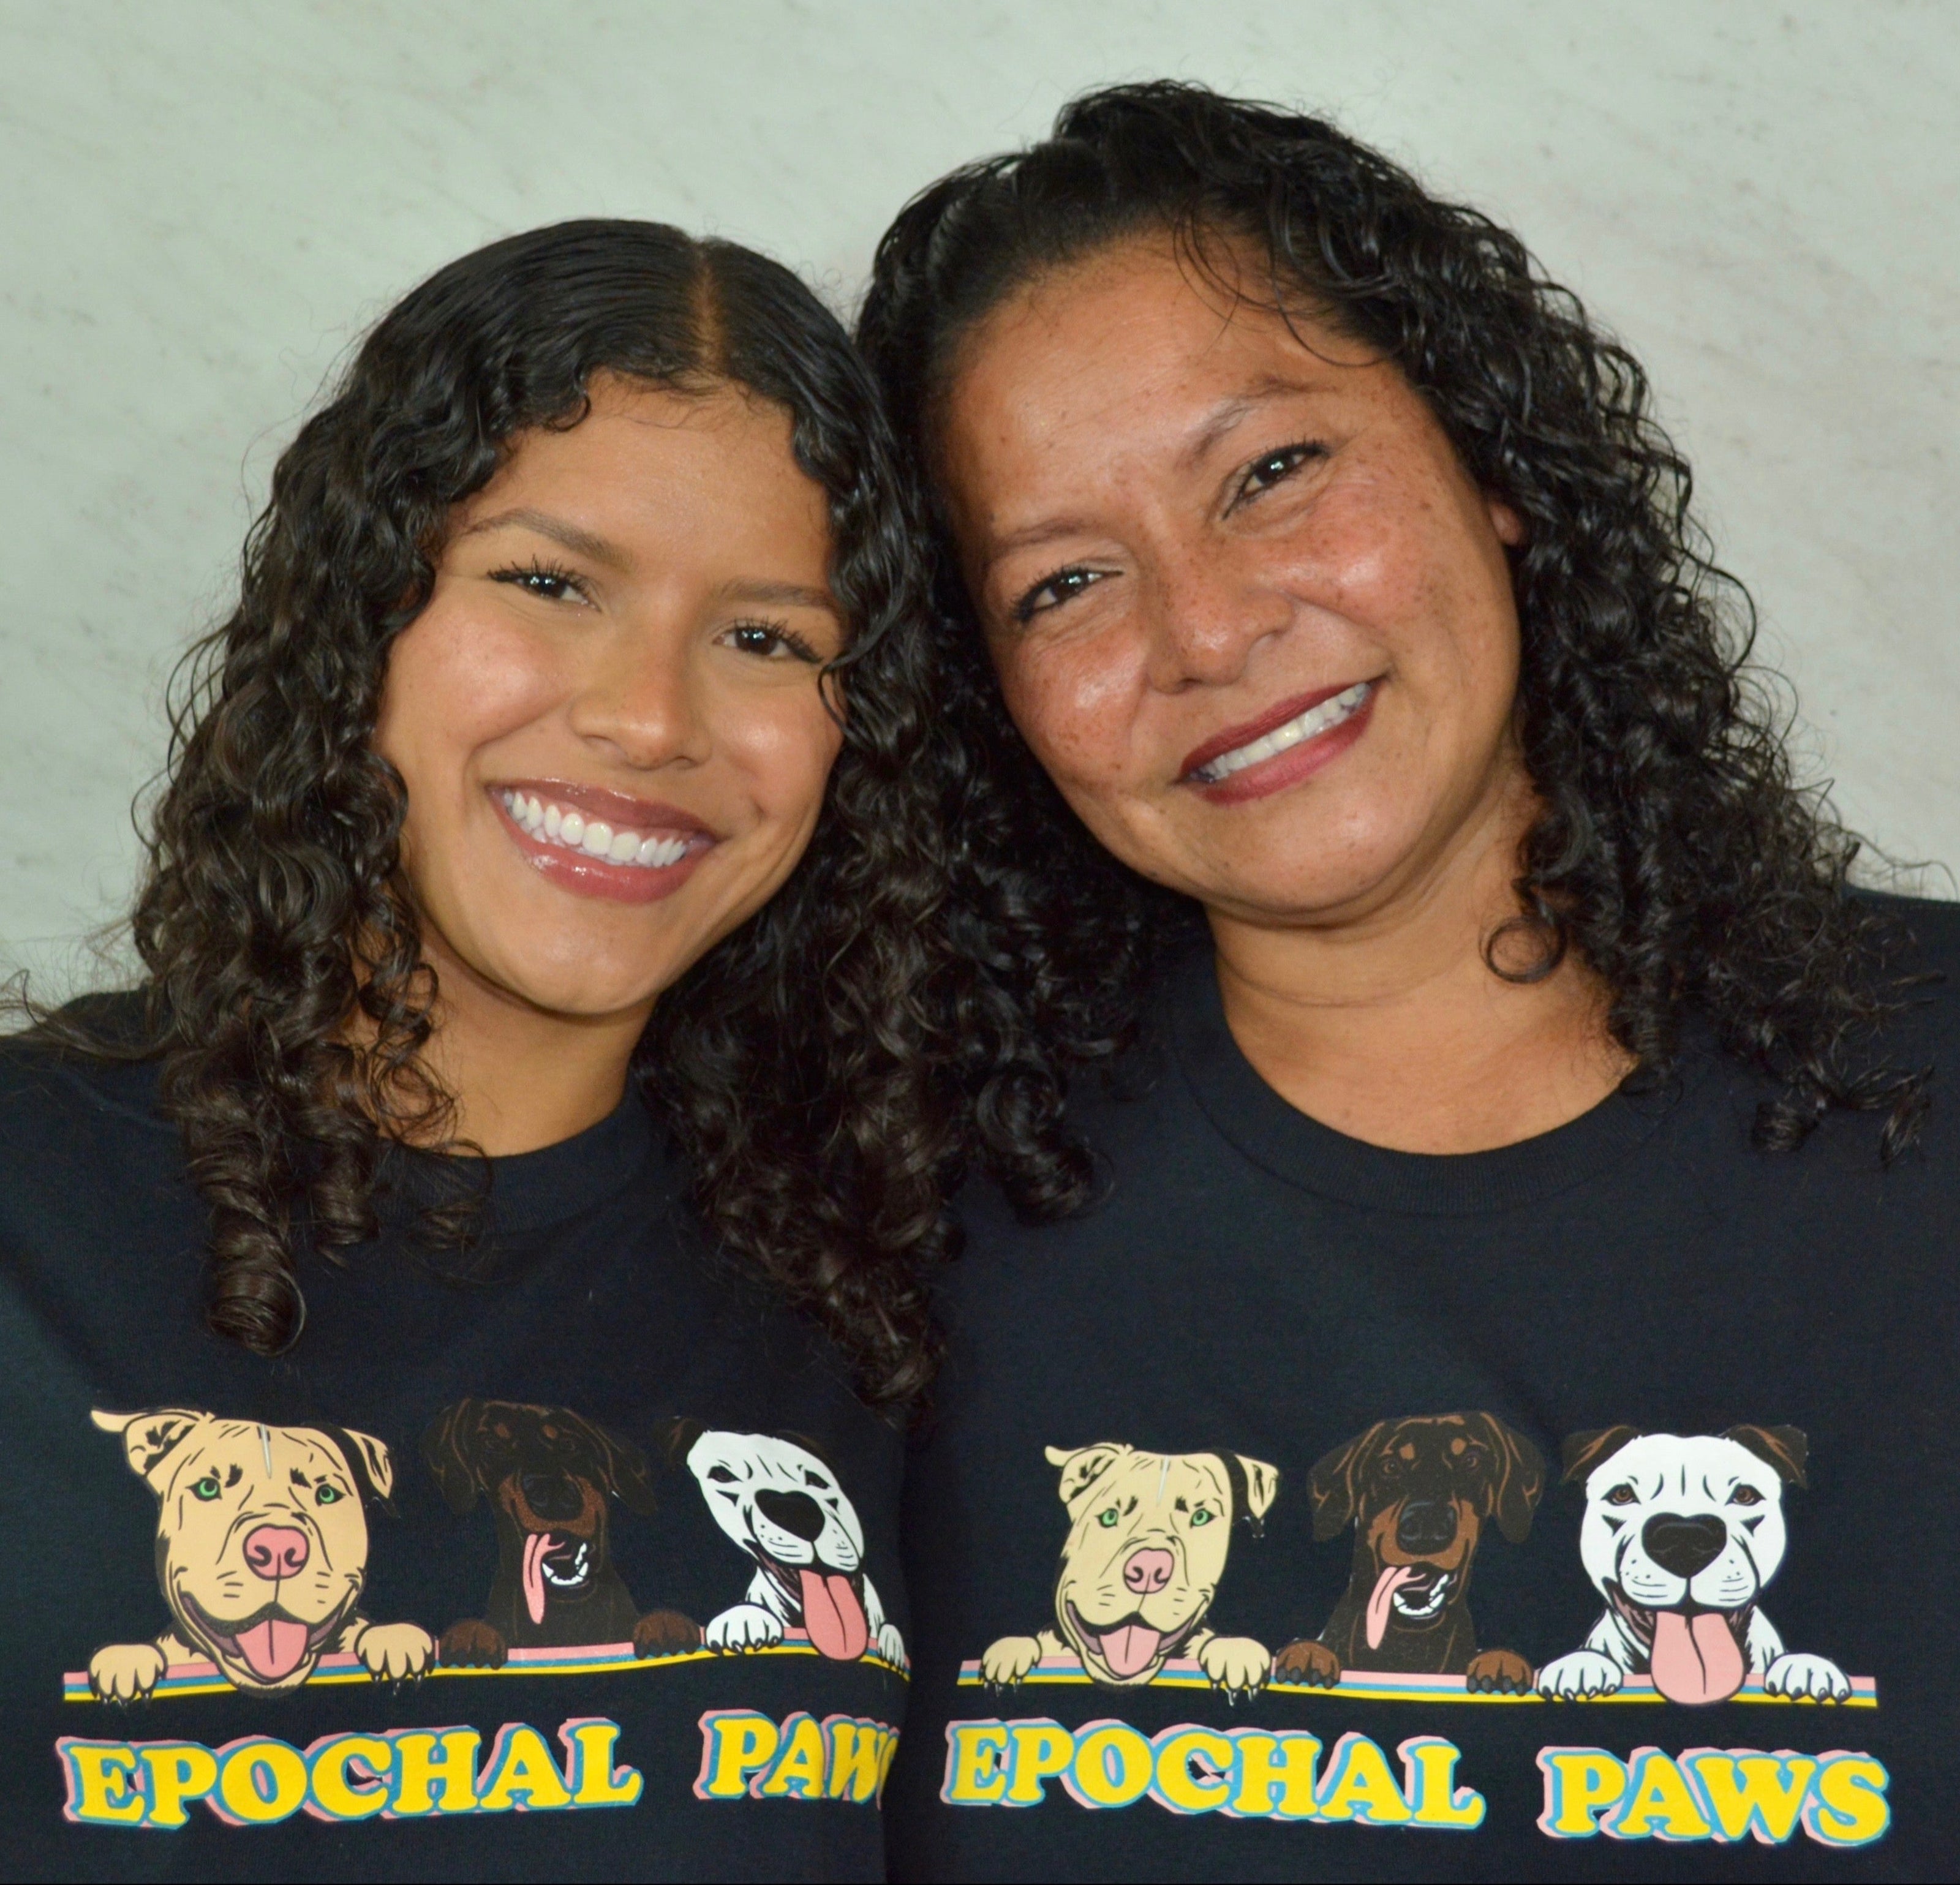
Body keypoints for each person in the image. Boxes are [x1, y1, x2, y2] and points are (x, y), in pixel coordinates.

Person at [858, 83, 1958, 1879]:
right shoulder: (875, 1219)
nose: (1206, 630)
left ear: (1494, 459)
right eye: (1064, 582)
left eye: (1274, 473)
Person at [0, 219, 955, 1879]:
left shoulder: (879, 1276)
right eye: (550, 581)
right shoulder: (27, 1215)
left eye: (768, 638)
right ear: (357, 612)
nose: (651, 718)